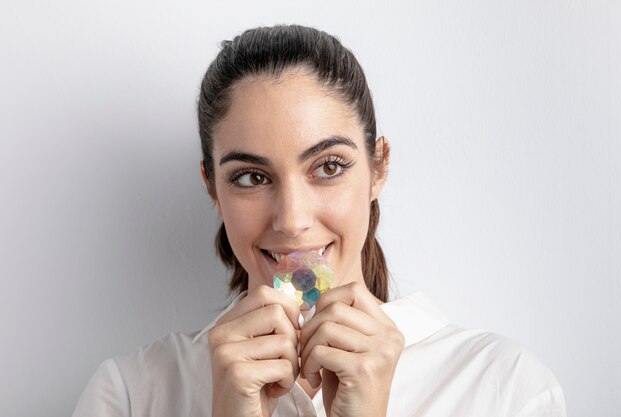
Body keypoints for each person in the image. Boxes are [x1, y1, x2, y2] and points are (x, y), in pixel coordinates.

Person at [72, 24, 567, 417]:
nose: (292, 220)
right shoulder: (130, 396)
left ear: (378, 168)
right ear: (212, 188)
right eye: (250, 177)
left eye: (328, 167)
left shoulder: (507, 389)